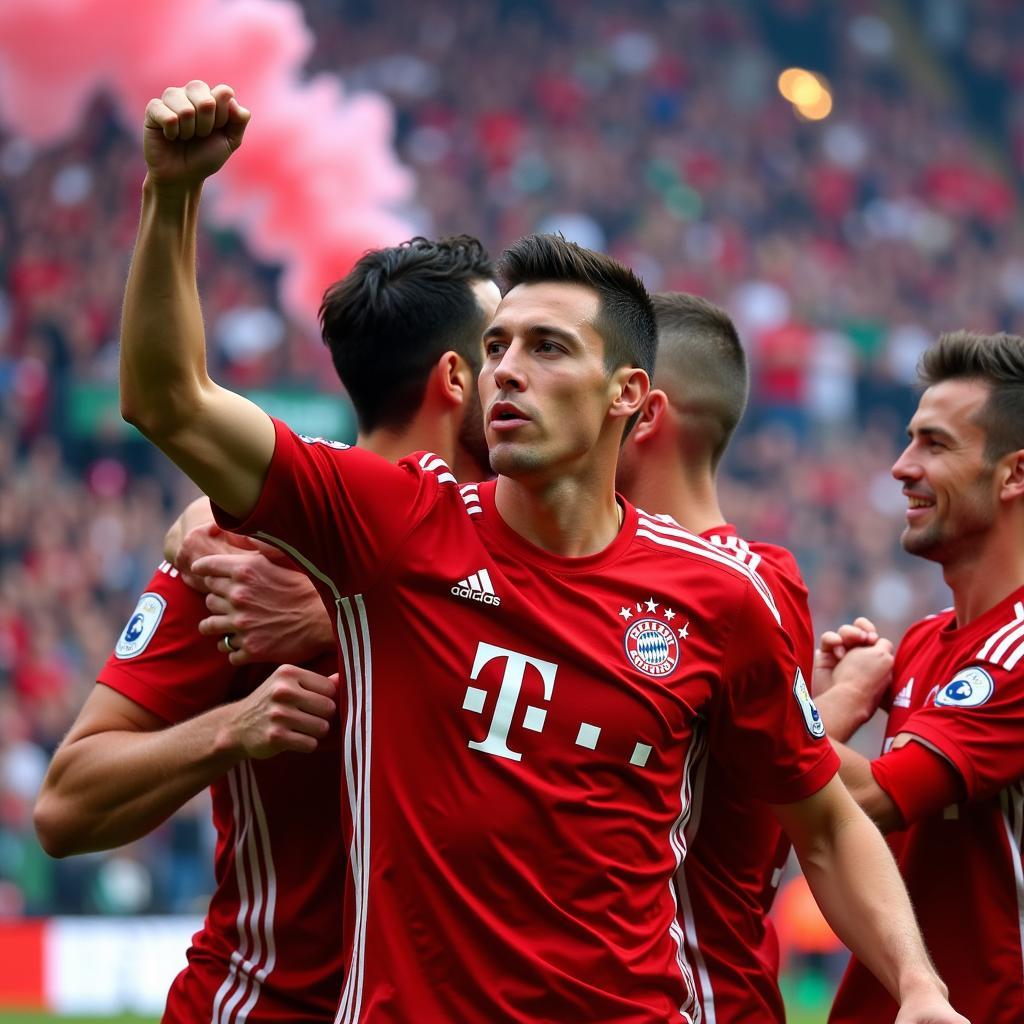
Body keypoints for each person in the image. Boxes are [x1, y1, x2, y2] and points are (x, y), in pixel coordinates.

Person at [118, 79, 966, 1023]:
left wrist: (921, 987)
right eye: (497, 345)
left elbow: (824, 819)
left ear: (628, 396)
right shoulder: (398, 526)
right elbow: (170, 401)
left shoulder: (720, 595)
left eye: (550, 347)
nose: (510, 368)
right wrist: (173, 196)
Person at [35, 229, 499, 1022]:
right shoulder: (241, 559)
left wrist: (341, 616)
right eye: (503, 349)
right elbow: (67, 807)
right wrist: (230, 728)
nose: (524, 374)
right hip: (272, 1006)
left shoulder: (530, 547)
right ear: (455, 378)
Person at [616, 291, 888, 1022]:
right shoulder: (772, 580)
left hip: (687, 995)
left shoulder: (729, 590)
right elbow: (751, 757)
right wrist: (832, 709)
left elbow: (783, 783)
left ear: (642, 411)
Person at [814, 331, 1024, 1024]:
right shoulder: (928, 641)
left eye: (935, 445)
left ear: (1014, 474)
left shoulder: (1017, 650)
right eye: (908, 441)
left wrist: (773, 701)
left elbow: (870, 795)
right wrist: (826, 706)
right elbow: (826, 810)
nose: (902, 467)